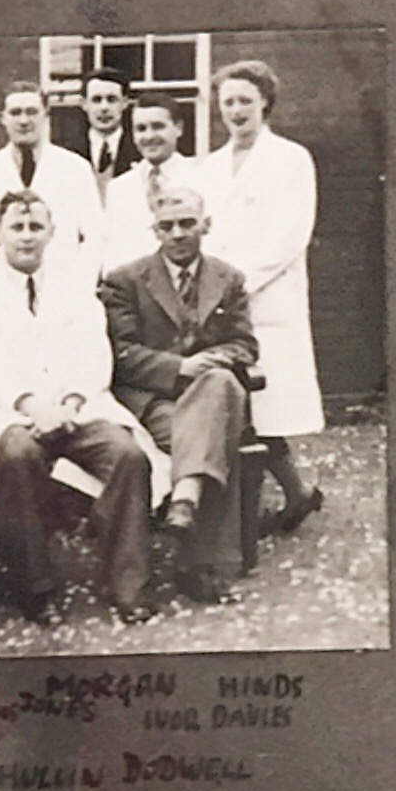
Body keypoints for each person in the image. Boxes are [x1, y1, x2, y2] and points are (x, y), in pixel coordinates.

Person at [0, 192, 165, 626]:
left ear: (51, 233)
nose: (26, 237)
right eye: (17, 227)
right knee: (17, 455)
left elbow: (95, 354)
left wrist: (71, 401)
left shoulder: (76, 290)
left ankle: (129, 584)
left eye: (36, 227)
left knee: (127, 456)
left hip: (79, 407)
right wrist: (32, 405)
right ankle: (35, 588)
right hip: (12, 412)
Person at [100, 187, 257, 603]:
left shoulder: (229, 279)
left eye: (187, 223)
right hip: (156, 402)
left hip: (211, 395)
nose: (178, 234)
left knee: (220, 385)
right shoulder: (124, 282)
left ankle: (185, 499)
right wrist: (179, 368)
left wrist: (212, 361)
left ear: (206, 225)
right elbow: (120, 355)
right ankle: (198, 565)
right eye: (167, 226)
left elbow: (245, 345)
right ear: (154, 230)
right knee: (214, 432)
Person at [198, 58, 325, 531]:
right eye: (228, 102)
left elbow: (290, 237)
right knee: (235, 407)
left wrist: (237, 287)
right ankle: (293, 496)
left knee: (264, 408)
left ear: (265, 103)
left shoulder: (291, 159)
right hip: (219, 303)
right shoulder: (210, 166)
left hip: (266, 299)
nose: (235, 110)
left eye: (245, 101)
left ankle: (282, 500)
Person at [0, 82, 105, 280]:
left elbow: (95, 236)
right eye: (15, 113)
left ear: (46, 115)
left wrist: (81, 282)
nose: (24, 121)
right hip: (3, 286)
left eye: (32, 112)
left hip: (62, 283)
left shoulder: (75, 168)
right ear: (3, 118)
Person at [102, 93, 198, 270]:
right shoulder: (119, 188)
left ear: (178, 128)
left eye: (158, 126)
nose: (149, 136)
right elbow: (111, 249)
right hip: (132, 284)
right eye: (141, 129)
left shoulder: (201, 178)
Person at [73, 68, 138, 194]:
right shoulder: (70, 154)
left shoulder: (139, 152)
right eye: (97, 100)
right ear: (84, 104)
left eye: (111, 99)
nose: (104, 108)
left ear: (125, 103)